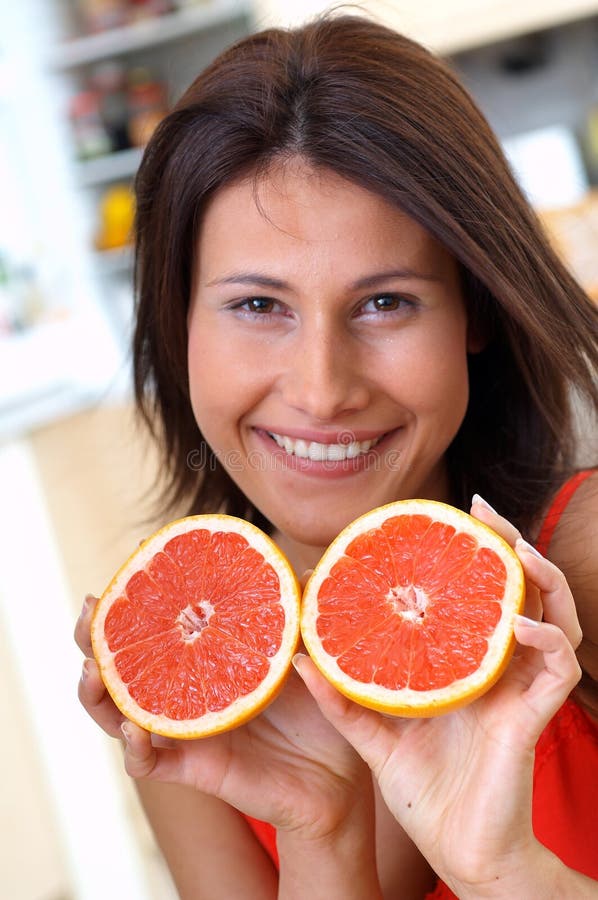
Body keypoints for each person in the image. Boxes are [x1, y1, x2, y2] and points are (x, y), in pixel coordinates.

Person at [75, 13, 598, 899]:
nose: (322, 390)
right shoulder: (183, 676)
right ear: (179, 324)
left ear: (475, 313)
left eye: (386, 302)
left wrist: (510, 872)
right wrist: (321, 831)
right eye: (256, 306)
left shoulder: (577, 566)